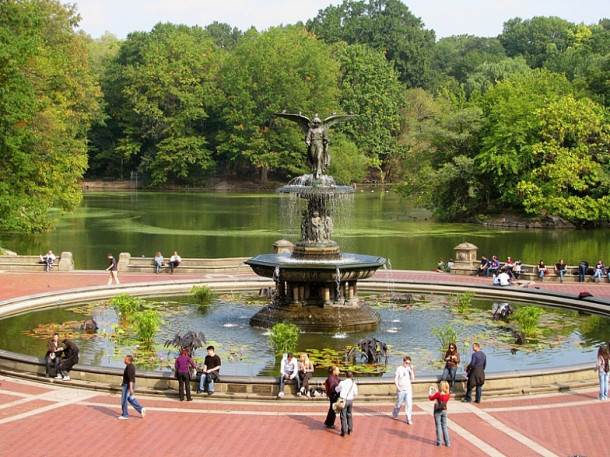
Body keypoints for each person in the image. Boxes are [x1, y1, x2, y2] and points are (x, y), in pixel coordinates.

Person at [118, 354, 146, 420]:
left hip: (128, 385)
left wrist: (130, 388)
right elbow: (127, 377)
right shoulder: (129, 366)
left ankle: (125, 415)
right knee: (130, 398)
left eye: (125, 359)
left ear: (128, 360)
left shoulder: (130, 368)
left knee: (124, 400)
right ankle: (141, 409)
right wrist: (123, 383)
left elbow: (130, 379)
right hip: (127, 384)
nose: (124, 360)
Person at [391, 355, 415, 424]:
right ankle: (395, 414)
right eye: (406, 363)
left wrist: (412, 370)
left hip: (408, 389)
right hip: (401, 389)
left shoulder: (409, 369)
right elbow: (395, 379)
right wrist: (398, 387)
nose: (407, 364)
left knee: (409, 404)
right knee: (399, 403)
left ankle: (409, 419)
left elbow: (412, 378)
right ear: (403, 362)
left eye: (409, 363)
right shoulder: (399, 369)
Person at [335, 370, 358, 437]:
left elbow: (337, 389)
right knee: (349, 414)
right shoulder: (353, 384)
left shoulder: (342, 382)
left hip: (343, 400)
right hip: (350, 400)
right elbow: (355, 393)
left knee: (343, 416)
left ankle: (344, 432)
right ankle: (350, 429)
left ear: (346, 376)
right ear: (352, 376)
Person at [429, 381, 451, 447]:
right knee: (444, 426)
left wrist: (430, 392)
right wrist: (437, 391)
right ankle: (447, 442)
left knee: (438, 426)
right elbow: (442, 395)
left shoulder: (438, 394)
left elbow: (431, 398)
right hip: (444, 410)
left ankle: (439, 442)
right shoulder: (448, 395)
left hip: (437, 410)